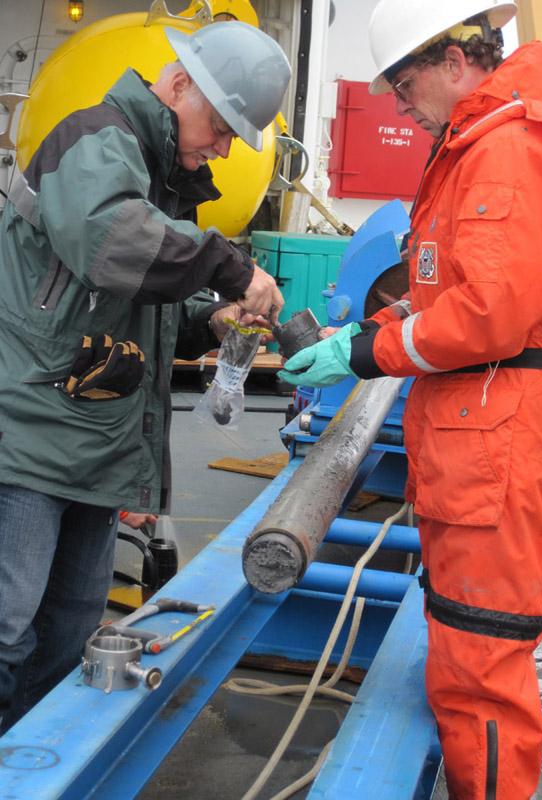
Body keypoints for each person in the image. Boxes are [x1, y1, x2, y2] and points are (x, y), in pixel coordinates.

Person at [279, 2, 542, 797]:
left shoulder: (507, 154)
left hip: (510, 451)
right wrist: (373, 329)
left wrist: (367, 349)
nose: (398, 103)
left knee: (478, 676)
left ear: (457, 62)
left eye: (403, 83)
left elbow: (491, 313)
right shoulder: (493, 143)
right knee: (471, 652)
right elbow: (444, 290)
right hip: (507, 439)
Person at [0, 20, 290, 731]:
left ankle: (31, 766)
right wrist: (230, 267)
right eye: (222, 126)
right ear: (179, 83)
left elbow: (133, 298)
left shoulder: (161, 172)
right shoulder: (94, 138)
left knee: (67, 634)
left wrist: (208, 318)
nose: (224, 147)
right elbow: (111, 240)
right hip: (33, 436)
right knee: (7, 633)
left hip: (98, 440)